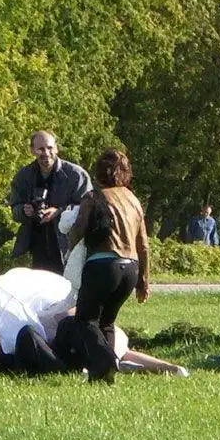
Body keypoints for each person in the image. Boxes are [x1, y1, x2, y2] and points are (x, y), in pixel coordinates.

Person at [0, 267, 187, 377]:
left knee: (110, 347)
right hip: (59, 341)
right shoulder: (1, 303)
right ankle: (163, 367)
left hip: (62, 339)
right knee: (117, 350)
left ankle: (165, 367)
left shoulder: (14, 294)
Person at [67, 148, 150, 382]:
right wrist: (143, 281)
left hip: (103, 265)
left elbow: (78, 232)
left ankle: (107, 362)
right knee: (107, 322)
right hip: (130, 268)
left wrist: (69, 234)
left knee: (85, 319)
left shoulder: (93, 197)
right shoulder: (133, 200)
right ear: (126, 172)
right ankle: (102, 377)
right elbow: (143, 245)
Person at [9, 131, 92, 274]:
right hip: (35, 249)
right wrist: (24, 210)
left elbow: (88, 209)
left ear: (56, 148)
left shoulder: (76, 175)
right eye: (40, 149)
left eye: (49, 148)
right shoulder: (23, 176)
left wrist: (59, 212)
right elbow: (15, 210)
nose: (46, 153)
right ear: (32, 150)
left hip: (68, 248)